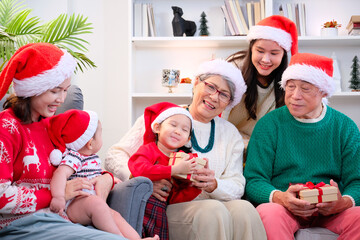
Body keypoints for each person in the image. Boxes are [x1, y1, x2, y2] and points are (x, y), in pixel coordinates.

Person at [106, 59, 267, 240]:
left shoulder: (230, 134)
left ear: (229, 102)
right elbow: (114, 155)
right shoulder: (166, 118)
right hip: (171, 207)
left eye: (224, 94)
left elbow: (237, 186)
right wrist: (143, 180)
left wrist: (214, 184)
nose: (214, 97)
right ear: (197, 82)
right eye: (211, 87)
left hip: (216, 206)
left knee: (245, 209)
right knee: (212, 210)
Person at [0, 43, 127, 239]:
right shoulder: (7, 128)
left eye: (65, 90)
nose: (61, 99)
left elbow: (78, 158)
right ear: (33, 88)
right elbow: (1, 197)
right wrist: (56, 194)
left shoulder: (53, 126)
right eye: (55, 91)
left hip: (60, 218)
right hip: (21, 224)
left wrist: (105, 177)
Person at [244, 52, 360, 239]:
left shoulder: (345, 127)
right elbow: (254, 180)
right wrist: (280, 197)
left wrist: (344, 202)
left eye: (305, 89)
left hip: (333, 212)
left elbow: (357, 180)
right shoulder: (269, 125)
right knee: (269, 213)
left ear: (323, 91)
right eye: (290, 87)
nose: (294, 96)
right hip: (285, 208)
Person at [48, 109, 159, 240]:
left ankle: (137, 239)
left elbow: (97, 173)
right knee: (97, 204)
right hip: (74, 204)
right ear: (90, 143)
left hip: (91, 204)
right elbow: (60, 174)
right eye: (100, 134)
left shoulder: (91, 158)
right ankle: (119, 238)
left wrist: (112, 179)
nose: (102, 138)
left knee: (114, 214)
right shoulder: (74, 157)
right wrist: (59, 197)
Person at [223, 15, 298, 149]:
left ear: (283, 55)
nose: (266, 59)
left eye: (274, 53)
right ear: (251, 48)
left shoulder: (288, 81)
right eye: (260, 51)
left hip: (263, 144)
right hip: (226, 139)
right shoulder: (233, 67)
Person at [128, 102, 200, 239]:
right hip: (139, 207)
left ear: (187, 140)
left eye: (185, 130)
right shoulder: (149, 150)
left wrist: (196, 186)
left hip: (160, 214)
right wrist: (172, 170)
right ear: (157, 127)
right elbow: (138, 169)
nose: (178, 131)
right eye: (173, 125)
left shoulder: (182, 161)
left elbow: (174, 198)